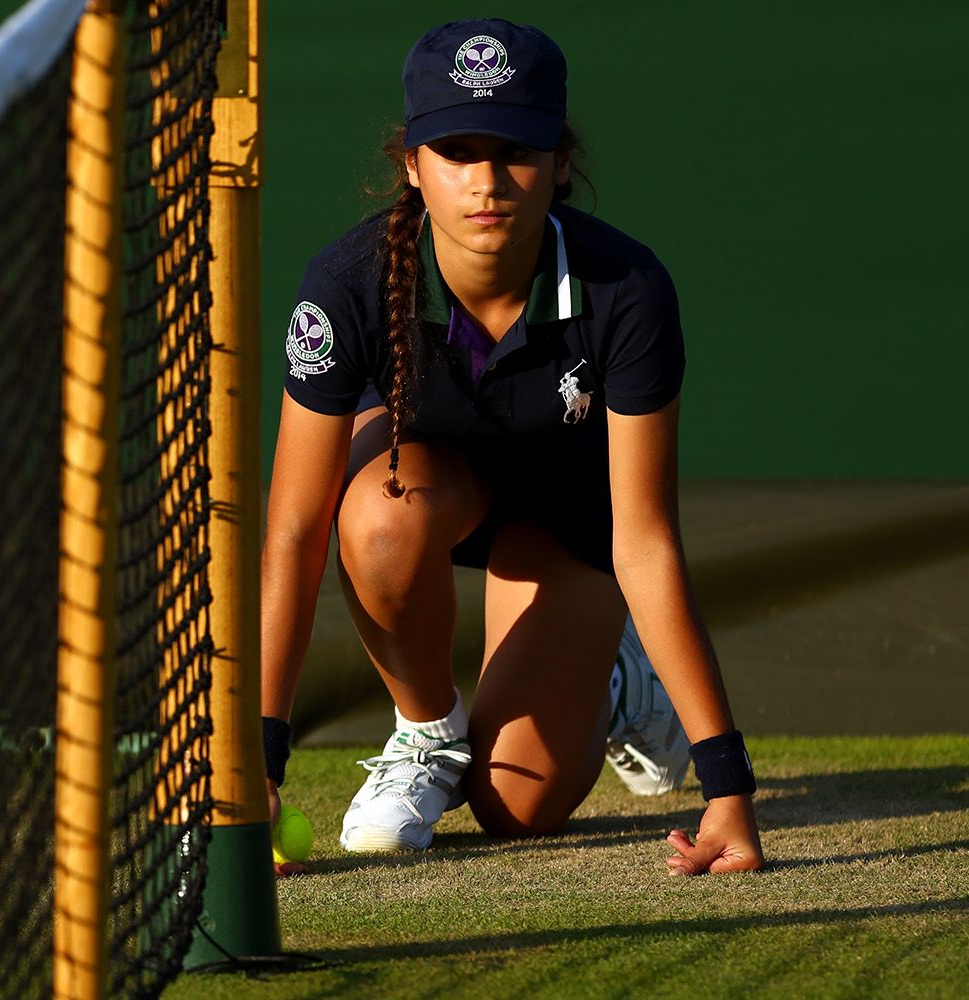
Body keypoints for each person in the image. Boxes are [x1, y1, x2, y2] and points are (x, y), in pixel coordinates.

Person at [259, 18, 764, 877]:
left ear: (561, 163)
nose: (487, 182)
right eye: (456, 151)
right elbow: (295, 533)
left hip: (566, 519)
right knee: (378, 521)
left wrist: (729, 790)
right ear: (413, 167)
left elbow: (645, 539)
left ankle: (614, 681)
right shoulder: (345, 285)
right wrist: (255, 766)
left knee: (514, 811)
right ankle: (427, 733)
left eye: (517, 150)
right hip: (429, 487)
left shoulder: (630, 291)